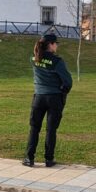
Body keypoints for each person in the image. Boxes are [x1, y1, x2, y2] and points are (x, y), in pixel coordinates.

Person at [23, 34, 72, 167]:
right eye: (56, 43)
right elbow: (68, 81)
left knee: (34, 128)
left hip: (38, 97)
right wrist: (63, 92)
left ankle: (29, 158)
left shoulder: (34, 59)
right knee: (51, 130)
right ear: (50, 44)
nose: (57, 46)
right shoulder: (57, 61)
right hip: (54, 98)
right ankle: (49, 159)